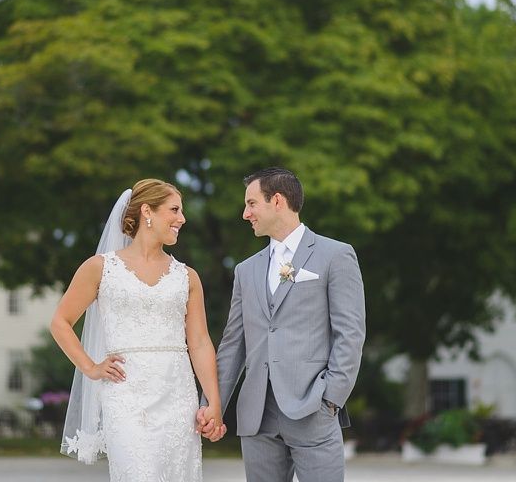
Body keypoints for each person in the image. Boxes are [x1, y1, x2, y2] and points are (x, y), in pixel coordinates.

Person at [50, 178, 226, 482]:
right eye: (174, 210)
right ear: (148, 211)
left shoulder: (187, 277)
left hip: (177, 395)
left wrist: (213, 402)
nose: (182, 219)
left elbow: (198, 342)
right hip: (126, 396)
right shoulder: (100, 268)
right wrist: (90, 367)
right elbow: (60, 322)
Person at [198, 167, 367, 482]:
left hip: (313, 407)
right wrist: (212, 403)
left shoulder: (336, 255)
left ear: (276, 201)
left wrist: (331, 398)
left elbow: (350, 334)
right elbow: (234, 344)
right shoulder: (246, 271)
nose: (245, 213)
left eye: (251, 204)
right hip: (257, 416)